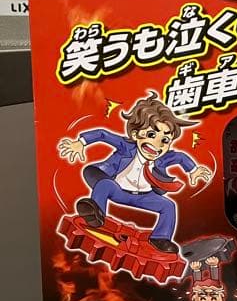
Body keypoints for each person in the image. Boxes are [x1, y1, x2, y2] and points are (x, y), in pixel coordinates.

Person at [57, 94, 211, 254]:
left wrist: (193, 170)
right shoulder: (126, 146)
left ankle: (161, 238)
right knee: (104, 184)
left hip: (145, 197)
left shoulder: (163, 158)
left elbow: (181, 157)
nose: (157, 144)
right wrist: (81, 142)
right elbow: (103, 134)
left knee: (168, 206)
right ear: (136, 134)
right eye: (151, 135)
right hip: (118, 191)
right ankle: (96, 215)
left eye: (165, 140)